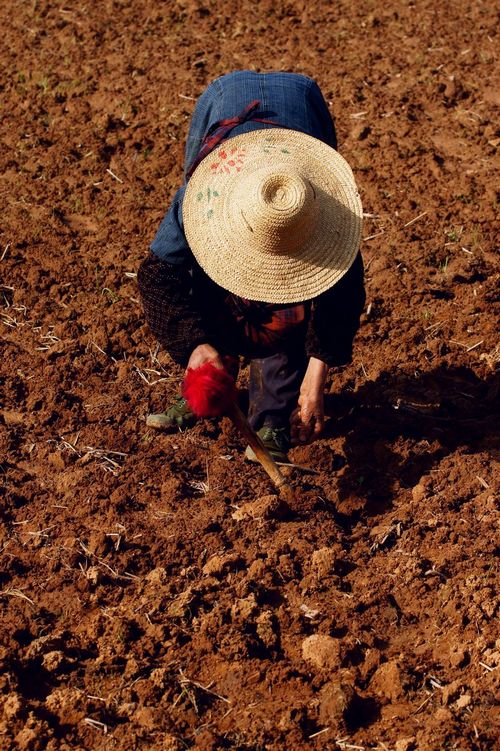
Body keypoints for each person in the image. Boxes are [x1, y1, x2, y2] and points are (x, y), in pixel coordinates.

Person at [138, 71, 365, 463]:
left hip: (302, 104)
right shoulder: (200, 200)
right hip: (223, 98)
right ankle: (208, 381)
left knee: (287, 306)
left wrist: (314, 383)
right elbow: (159, 276)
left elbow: (339, 302)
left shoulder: (326, 213)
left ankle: (273, 416)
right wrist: (196, 346)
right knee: (211, 267)